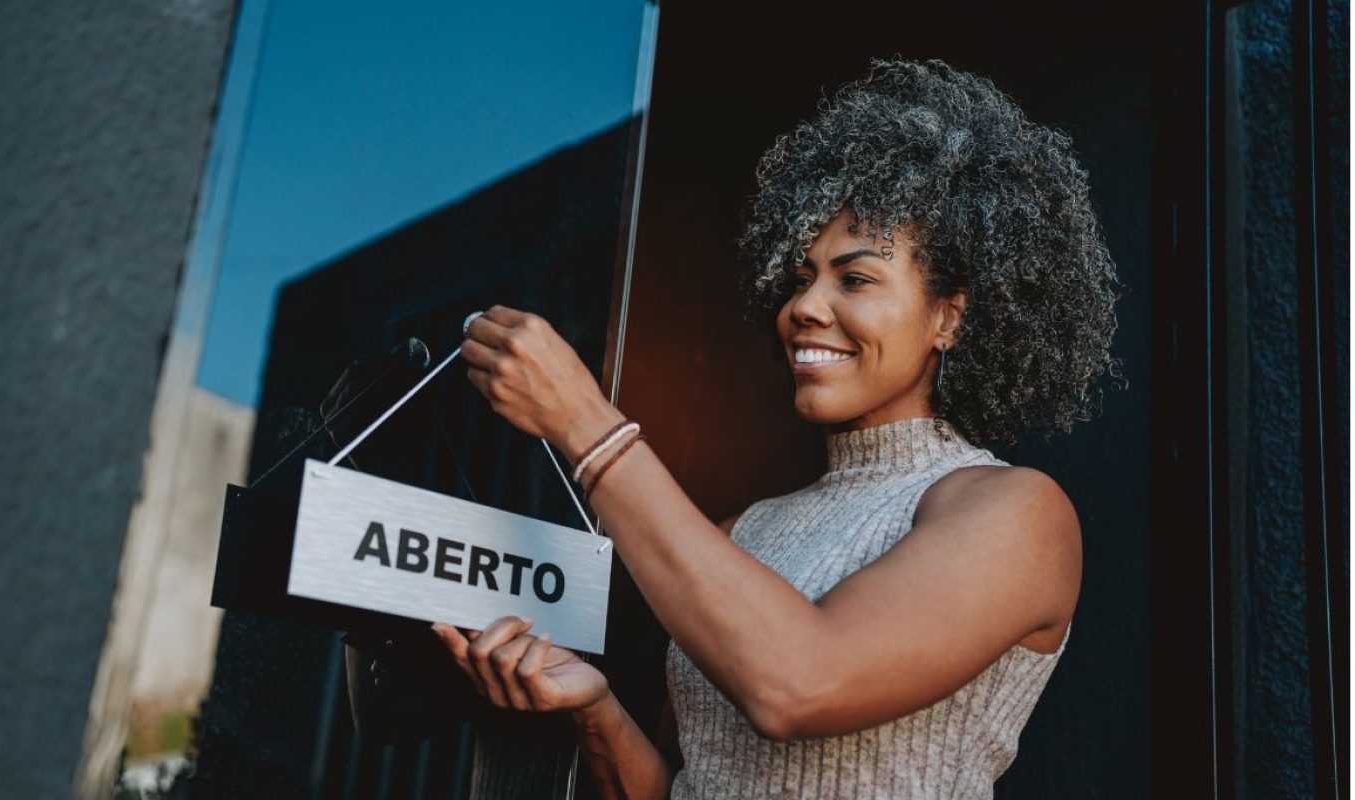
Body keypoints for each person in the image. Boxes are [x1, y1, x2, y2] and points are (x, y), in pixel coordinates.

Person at [432, 57, 1124, 799]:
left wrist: (586, 425)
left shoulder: (1014, 512)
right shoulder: (740, 533)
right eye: (800, 278)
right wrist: (596, 711)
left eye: (854, 279)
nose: (805, 308)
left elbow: (798, 683)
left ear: (949, 315)